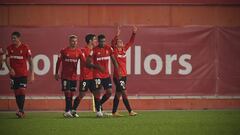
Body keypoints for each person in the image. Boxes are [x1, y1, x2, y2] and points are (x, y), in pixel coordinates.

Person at [89, 34, 120, 117]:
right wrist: (96, 66)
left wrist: (118, 71)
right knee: (98, 92)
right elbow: (88, 62)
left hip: (106, 75)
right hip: (97, 75)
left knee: (109, 92)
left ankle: (98, 105)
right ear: (98, 41)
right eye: (101, 41)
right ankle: (98, 111)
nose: (103, 43)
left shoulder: (108, 48)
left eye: (104, 41)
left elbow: (114, 60)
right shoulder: (94, 50)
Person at [5, 31, 34, 118]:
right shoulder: (9, 48)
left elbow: (31, 62)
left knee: (22, 90)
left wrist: (32, 74)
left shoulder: (25, 47)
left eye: (15, 38)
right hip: (13, 75)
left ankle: (21, 111)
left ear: (19, 38)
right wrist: (10, 69)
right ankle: (21, 110)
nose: (13, 40)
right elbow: (6, 60)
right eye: (12, 38)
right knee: (17, 92)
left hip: (23, 74)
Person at [55, 35, 85, 118]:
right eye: (72, 41)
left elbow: (84, 62)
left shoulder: (79, 52)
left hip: (74, 77)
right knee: (67, 93)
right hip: (65, 76)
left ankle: (69, 111)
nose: (74, 43)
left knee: (71, 94)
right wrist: (56, 73)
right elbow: (58, 62)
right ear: (69, 42)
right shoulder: (64, 51)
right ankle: (67, 111)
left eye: (75, 41)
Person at [111, 26, 138, 116]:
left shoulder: (124, 50)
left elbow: (131, 42)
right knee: (124, 93)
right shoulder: (114, 51)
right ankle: (130, 111)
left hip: (124, 75)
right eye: (119, 41)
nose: (121, 42)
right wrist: (117, 35)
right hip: (118, 76)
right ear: (116, 44)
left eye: (121, 41)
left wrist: (133, 33)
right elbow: (112, 43)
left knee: (118, 94)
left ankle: (114, 112)